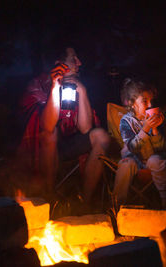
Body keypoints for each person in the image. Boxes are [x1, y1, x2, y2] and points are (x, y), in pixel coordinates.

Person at [18, 46, 110, 203]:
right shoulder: (39, 84)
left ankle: (85, 202)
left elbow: (86, 128)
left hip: (67, 146)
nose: (79, 63)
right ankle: (49, 200)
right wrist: (55, 86)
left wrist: (82, 90)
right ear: (59, 63)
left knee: (101, 136)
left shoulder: (77, 85)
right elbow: (46, 126)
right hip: (39, 150)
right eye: (74, 59)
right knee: (50, 134)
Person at [113, 78, 166, 209]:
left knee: (157, 160)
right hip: (133, 159)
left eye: (151, 101)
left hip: (151, 159)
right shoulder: (126, 121)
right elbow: (132, 147)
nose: (150, 105)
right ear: (132, 104)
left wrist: (155, 129)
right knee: (126, 164)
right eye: (145, 101)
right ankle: (117, 204)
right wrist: (145, 128)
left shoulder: (155, 118)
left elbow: (160, 148)